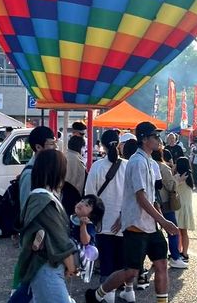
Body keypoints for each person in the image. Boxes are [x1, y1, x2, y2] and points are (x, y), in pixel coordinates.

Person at [86, 122, 179, 303]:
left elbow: (151, 197)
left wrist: (160, 221)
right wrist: (164, 221)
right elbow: (141, 198)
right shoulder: (137, 162)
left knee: (161, 264)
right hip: (136, 226)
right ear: (144, 139)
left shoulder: (149, 162)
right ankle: (98, 294)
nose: (158, 139)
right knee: (131, 271)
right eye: (155, 136)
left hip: (150, 226)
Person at [15, 149, 77, 303]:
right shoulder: (43, 199)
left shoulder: (37, 196)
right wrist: (71, 265)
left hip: (43, 266)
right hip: (47, 266)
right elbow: (59, 238)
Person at [85, 130, 128, 303]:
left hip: (103, 222)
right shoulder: (128, 165)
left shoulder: (97, 166)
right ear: (118, 144)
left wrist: (92, 219)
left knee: (106, 261)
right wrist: (123, 215)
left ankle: (107, 296)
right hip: (123, 222)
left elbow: (89, 195)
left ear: (102, 145)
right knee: (121, 261)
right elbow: (135, 195)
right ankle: (124, 291)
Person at [154, 148, 187, 269]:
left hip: (150, 203)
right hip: (165, 203)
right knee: (173, 230)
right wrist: (177, 180)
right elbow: (171, 186)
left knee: (154, 233)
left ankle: (155, 259)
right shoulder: (163, 167)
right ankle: (175, 257)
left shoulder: (146, 164)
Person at [19, 126, 57, 214]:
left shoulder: (47, 167)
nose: (55, 147)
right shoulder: (30, 174)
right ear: (38, 147)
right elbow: (25, 211)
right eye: (51, 144)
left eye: (55, 143)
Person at [173, 157, 194, 262]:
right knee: (184, 232)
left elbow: (172, 187)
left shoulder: (179, 177)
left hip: (179, 207)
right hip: (186, 207)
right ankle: (184, 253)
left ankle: (178, 251)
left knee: (177, 232)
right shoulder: (189, 176)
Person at [63, 135, 87, 217]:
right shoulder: (78, 161)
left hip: (61, 195)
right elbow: (80, 184)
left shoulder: (63, 156)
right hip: (73, 198)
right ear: (80, 147)